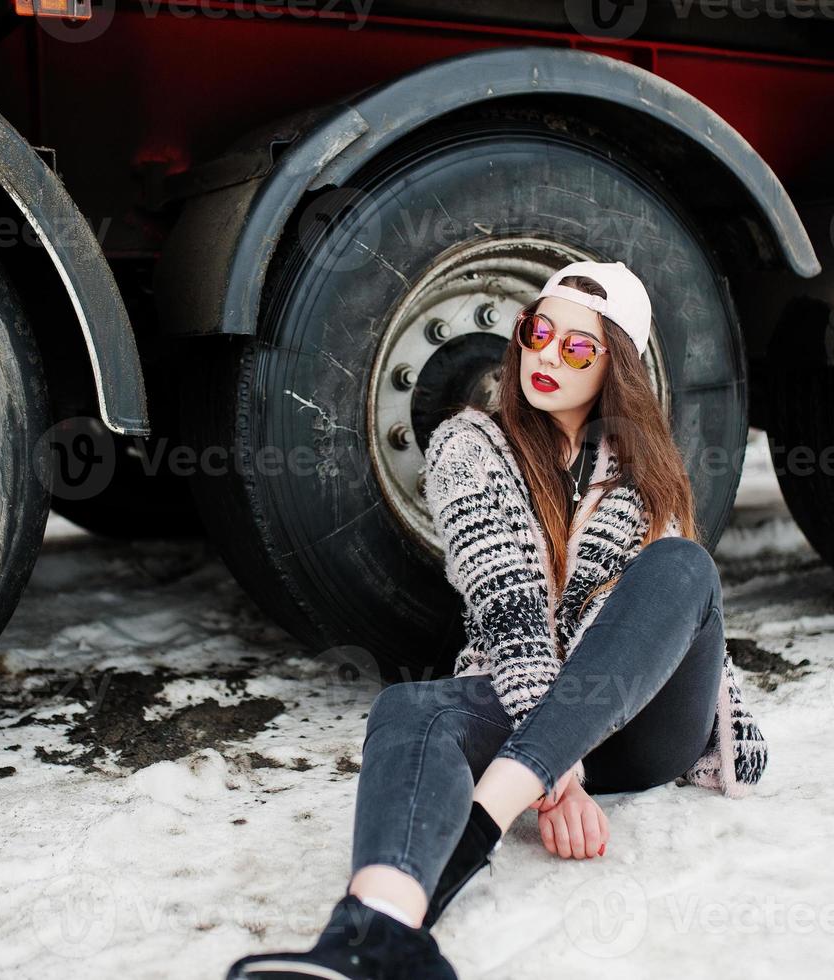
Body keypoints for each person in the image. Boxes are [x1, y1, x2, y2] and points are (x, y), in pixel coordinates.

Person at [225, 260, 767, 980]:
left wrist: (549, 772)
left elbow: (642, 622)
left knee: (681, 568)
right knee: (410, 708)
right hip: (528, 698)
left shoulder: (647, 471)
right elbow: (506, 606)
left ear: (618, 367)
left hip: (644, 725)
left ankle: (490, 811)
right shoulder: (470, 444)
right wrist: (559, 776)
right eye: (538, 330)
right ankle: (377, 931)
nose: (547, 354)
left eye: (578, 346)